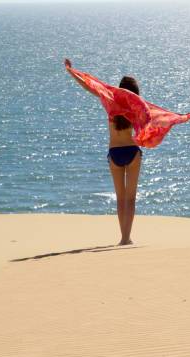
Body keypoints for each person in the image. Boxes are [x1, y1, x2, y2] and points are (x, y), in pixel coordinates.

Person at [65, 58, 141, 245]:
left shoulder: (110, 102)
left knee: (121, 198)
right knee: (130, 199)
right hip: (132, 152)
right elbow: (154, 120)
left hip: (115, 153)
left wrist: (71, 71)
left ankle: (123, 237)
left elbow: (90, 87)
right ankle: (126, 238)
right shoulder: (138, 106)